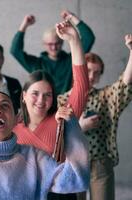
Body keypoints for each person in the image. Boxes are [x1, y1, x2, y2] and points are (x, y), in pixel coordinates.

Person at [13, 20, 89, 200]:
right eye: (35, 93)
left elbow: (81, 87)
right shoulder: (12, 126)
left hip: (58, 195)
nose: (41, 100)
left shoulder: (62, 118)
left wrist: (75, 41)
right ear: (23, 95)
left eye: (47, 95)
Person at [58, 34, 132, 200]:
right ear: (78, 69)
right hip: (72, 162)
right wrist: (80, 127)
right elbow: (53, 135)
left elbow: (123, 86)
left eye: (96, 73)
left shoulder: (104, 97)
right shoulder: (62, 100)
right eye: (88, 70)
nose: (91, 76)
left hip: (99, 161)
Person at [10, 10, 95, 95]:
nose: (54, 47)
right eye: (50, 44)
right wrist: (24, 25)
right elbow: (15, 51)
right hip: (44, 106)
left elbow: (88, 38)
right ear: (44, 44)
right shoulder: (37, 64)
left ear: (62, 42)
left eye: (57, 43)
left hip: (68, 104)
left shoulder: (72, 59)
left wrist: (72, 17)